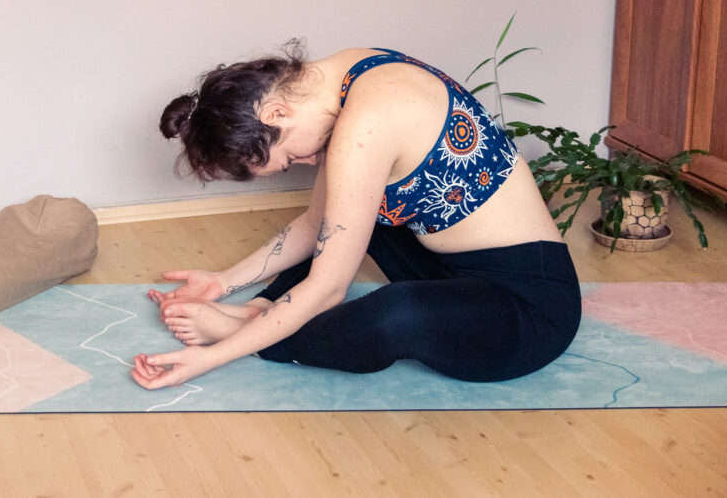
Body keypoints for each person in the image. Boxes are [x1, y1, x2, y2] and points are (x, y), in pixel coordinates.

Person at [131, 41, 581, 389]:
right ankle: (259, 310)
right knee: (346, 218)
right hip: (446, 269)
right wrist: (223, 282)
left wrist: (213, 357)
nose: (306, 163)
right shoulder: (347, 72)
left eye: (288, 158)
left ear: (277, 112)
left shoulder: (367, 121)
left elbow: (329, 289)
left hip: (527, 309)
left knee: (396, 314)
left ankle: (256, 335)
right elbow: (316, 224)